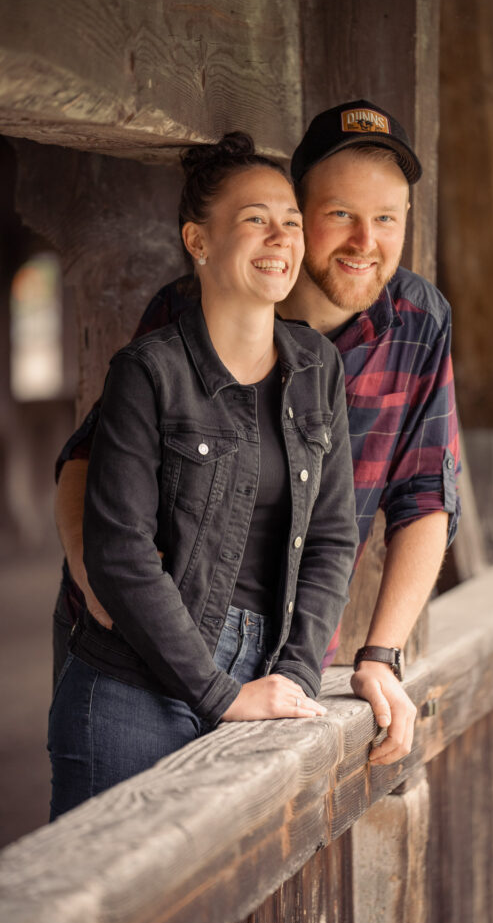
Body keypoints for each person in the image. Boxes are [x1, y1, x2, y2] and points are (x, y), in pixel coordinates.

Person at [54, 99, 461, 769]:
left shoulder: (413, 320)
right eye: (338, 216)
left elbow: (424, 493)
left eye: (386, 218)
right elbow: (90, 457)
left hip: (282, 658)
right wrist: (93, 570)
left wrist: (379, 654)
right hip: (132, 642)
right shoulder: (187, 310)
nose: (365, 241)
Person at [48, 133, 358, 818]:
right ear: (198, 239)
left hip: (269, 669)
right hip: (136, 682)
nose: (281, 237)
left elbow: (334, 536)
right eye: (255, 219)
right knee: (106, 903)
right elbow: (119, 549)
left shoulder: (316, 369)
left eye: (292, 222)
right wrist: (220, 694)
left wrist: (295, 674)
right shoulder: (149, 371)